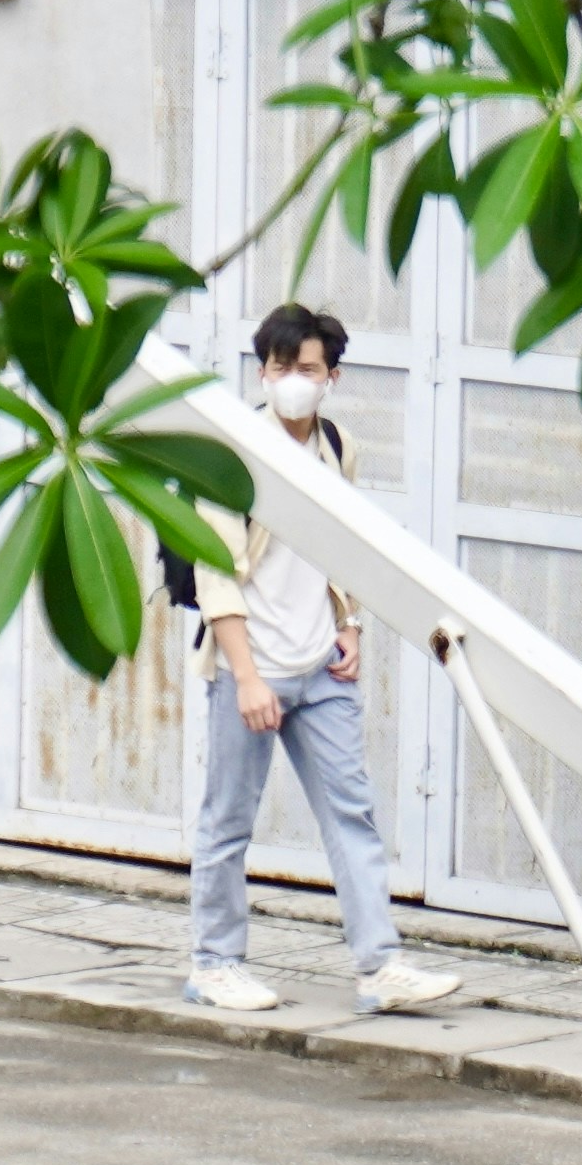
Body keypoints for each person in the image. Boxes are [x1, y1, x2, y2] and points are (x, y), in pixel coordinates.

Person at [183, 304, 470, 1021]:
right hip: (254, 668)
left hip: (319, 668)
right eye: (278, 367)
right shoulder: (231, 453)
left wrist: (350, 625)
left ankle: (380, 965)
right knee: (228, 821)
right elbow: (216, 573)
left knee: (352, 814)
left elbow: (340, 543)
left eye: (305, 369)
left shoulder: (337, 445)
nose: (289, 381)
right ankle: (214, 963)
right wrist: (247, 676)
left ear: (331, 377)